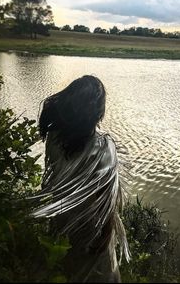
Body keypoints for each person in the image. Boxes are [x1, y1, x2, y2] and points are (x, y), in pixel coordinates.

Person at [31, 75, 130, 282]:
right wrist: (106, 234)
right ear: (97, 110)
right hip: (92, 224)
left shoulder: (54, 138)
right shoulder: (103, 146)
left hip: (62, 215)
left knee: (68, 265)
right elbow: (107, 200)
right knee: (100, 272)